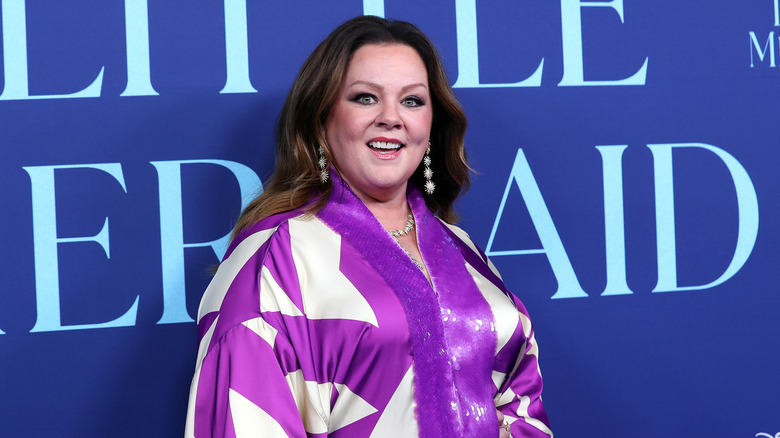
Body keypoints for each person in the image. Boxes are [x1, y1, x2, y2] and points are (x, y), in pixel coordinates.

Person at [185, 15, 552, 438]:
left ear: (431, 126)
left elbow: (519, 400)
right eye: (365, 98)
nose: (391, 118)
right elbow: (243, 420)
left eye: (412, 101)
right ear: (321, 120)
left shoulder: (461, 248)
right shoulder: (273, 257)